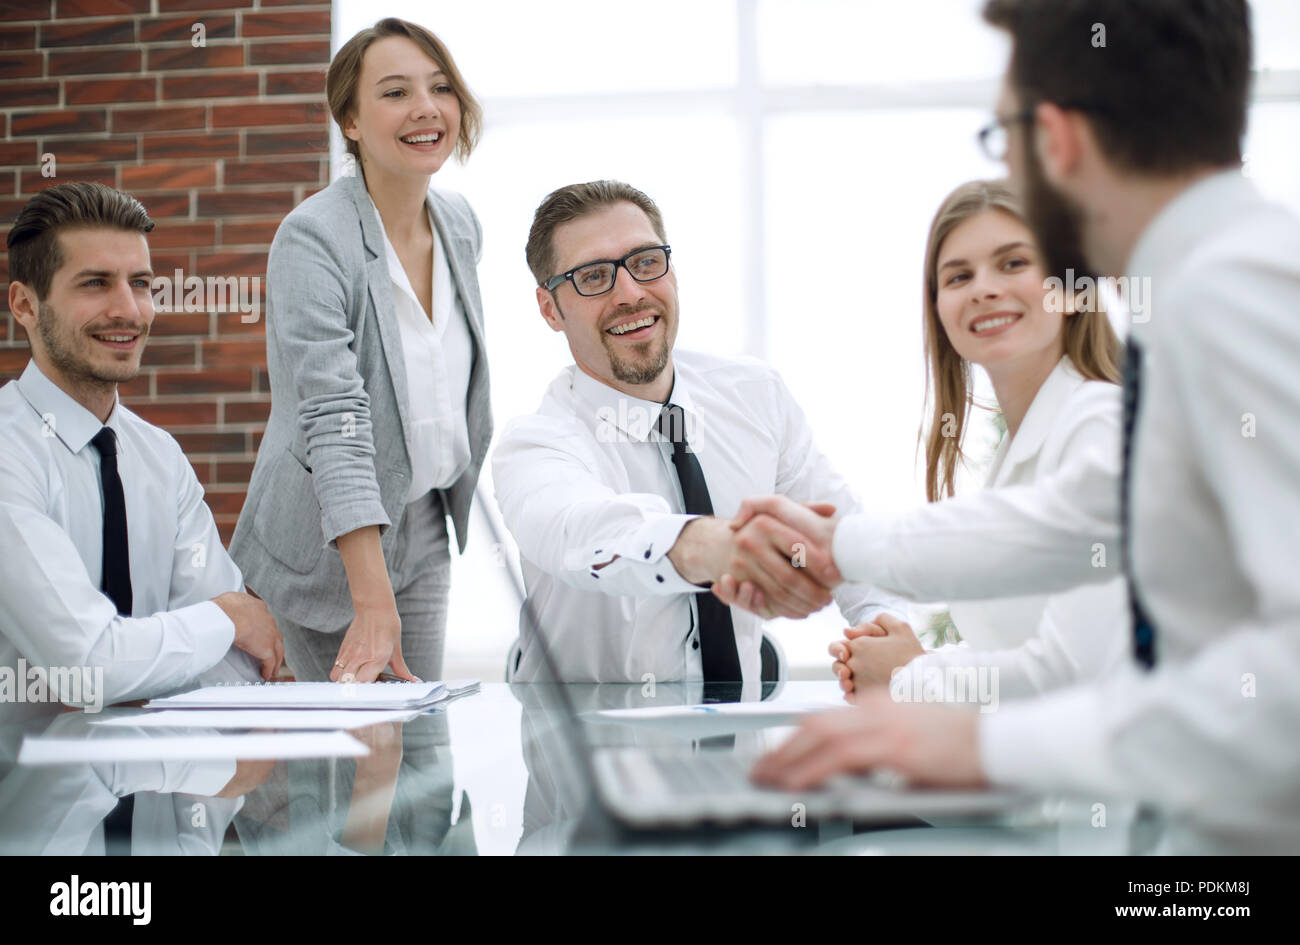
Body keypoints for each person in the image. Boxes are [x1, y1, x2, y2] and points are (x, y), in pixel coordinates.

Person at [747, 0, 1300, 852]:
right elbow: (1077, 517)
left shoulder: (1236, 295)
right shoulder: (1211, 290)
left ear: (1056, 139)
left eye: (1001, 138)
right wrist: (838, 546)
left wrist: (978, 738)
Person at [492, 180, 903, 692]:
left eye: (645, 262)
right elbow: (588, 535)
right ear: (550, 309)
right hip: (602, 764)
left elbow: (842, 530)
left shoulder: (755, 396)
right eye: (594, 277)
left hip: (747, 762)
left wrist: (885, 626)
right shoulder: (534, 446)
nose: (630, 293)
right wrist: (719, 546)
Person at [230, 18, 492, 684]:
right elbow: (334, 419)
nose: (426, 108)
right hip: (327, 541)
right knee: (347, 768)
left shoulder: (459, 223)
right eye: (396, 92)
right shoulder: (313, 239)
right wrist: (372, 600)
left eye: (440, 88)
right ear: (349, 119)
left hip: (425, 526)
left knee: (416, 746)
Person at [826, 179, 1129, 703]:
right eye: (958, 276)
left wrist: (907, 677)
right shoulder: (1023, 448)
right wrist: (915, 660)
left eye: (1013, 263)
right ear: (940, 311)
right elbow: (1021, 643)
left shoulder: (1101, 427)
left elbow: (1075, 675)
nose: (983, 288)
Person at [0, 182, 283, 723]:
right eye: (95, 284)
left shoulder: (158, 456)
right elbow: (86, 670)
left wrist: (207, 636)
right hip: (27, 799)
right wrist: (223, 617)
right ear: (25, 305)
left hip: (158, 788)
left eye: (141, 283)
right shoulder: (8, 454)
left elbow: (240, 664)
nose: (129, 310)